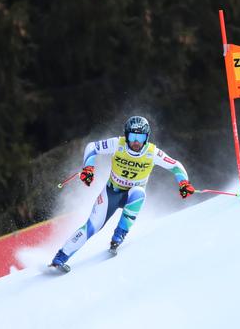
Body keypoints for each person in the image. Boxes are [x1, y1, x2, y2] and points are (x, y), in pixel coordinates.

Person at [49, 115, 195, 272]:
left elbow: (176, 166)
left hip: (130, 196)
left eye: (141, 137)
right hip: (111, 193)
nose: (136, 142)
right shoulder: (118, 144)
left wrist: (184, 183)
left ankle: (119, 235)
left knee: (139, 192)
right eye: (133, 136)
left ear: (147, 137)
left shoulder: (152, 152)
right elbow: (92, 147)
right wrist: (88, 168)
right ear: (126, 135)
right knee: (92, 226)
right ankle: (60, 258)